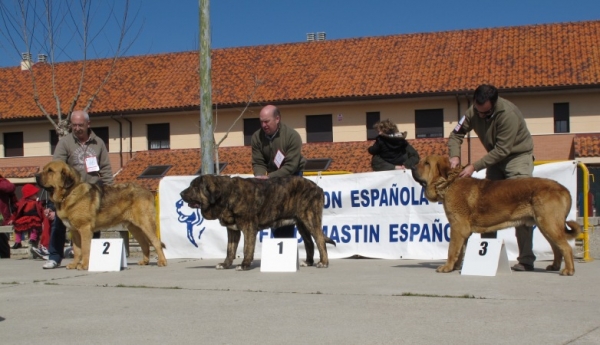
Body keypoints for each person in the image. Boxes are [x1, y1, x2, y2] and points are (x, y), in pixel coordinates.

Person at [448, 84, 536, 272]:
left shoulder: (508, 114)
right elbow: (456, 134)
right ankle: (486, 258)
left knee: (521, 206)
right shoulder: (473, 111)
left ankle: (526, 259)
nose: (481, 116)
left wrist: (474, 166)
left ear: (494, 105)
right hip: (495, 159)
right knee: (486, 205)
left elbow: (503, 150)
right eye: (478, 112)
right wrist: (454, 156)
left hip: (516, 158)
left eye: (485, 114)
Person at [34, 110, 114, 269]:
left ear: (88, 124)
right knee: (59, 224)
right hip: (69, 193)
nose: (77, 128)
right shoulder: (65, 142)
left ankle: (91, 258)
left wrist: (110, 189)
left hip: (91, 192)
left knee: (92, 227)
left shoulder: (98, 143)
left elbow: (105, 168)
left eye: (80, 125)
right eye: (74, 125)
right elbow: (55, 169)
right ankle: (55, 257)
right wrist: (51, 203)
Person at [251, 105, 306, 238]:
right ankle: (277, 241)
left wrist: (270, 177)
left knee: (288, 211)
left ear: (277, 119)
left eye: (267, 121)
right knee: (272, 211)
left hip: (292, 176)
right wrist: (259, 177)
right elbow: (258, 162)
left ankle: (289, 241)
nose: (264, 125)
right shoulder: (256, 137)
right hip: (271, 179)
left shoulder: (292, 136)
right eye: (261, 121)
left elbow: (291, 166)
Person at [6, 184, 50, 257]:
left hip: (34, 218)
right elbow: (16, 212)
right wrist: (12, 219)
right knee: (18, 225)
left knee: (34, 224)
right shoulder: (22, 202)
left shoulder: (37, 202)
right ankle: (18, 241)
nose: (36, 194)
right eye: (34, 194)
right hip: (25, 218)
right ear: (29, 194)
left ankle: (33, 238)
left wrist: (44, 218)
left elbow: (42, 211)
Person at [0, 174, 17, 258]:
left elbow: (10, 187)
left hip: (2, 217)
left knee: (2, 240)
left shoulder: (3, 182)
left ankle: (4, 256)